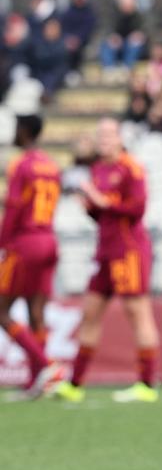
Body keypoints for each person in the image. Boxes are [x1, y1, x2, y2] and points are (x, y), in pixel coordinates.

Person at [53, 118, 160, 404]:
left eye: (109, 135)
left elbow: (138, 208)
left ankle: (146, 384)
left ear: (119, 138)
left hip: (130, 250)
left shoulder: (131, 167)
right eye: (100, 135)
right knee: (90, 312)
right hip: (105, 250)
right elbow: (102, 214)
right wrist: (90, 207)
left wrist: (103, 202)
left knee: (137, 313)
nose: (104, 140)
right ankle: (75, 383)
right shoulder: (97, 169)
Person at [0, 114, 63, 398]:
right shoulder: (51, 165)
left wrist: (2, 242)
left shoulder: (21, 164)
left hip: (25, 242)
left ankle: (47, 365)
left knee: (1, 310)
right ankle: (36, 383)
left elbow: (13, 208)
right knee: (35, 313)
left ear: (24, 131)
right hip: (49, 240)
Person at [100, 0, 147, 74]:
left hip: (132, 43)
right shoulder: (114, 15)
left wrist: (139, 35)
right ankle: (109, 70)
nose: (127, 7)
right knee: (107, 45)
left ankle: (127, 69)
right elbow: (108, 29)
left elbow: (145, 30)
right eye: (125, 5)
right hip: (118, 42)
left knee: (134, 45)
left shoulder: (139, 16)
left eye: (129, 5)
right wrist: (113, 36)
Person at [60, 0, 98, 75]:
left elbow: (88, 29)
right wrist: (68, 38)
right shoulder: (68, 12)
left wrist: (78, 38)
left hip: (83, 40)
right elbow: (63, 27)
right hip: (67, 40)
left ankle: (76, 70)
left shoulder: (89, 13)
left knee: (77, 49)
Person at [30, 18, 70, 97]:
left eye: (54, 29)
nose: (51, 31)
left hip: (56, 73)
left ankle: (47, 93)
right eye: (49, 28)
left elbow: (61, 60)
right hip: (41, 72)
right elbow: (39, 58)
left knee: (55, 74)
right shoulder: (38, 43)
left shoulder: (62, 44)